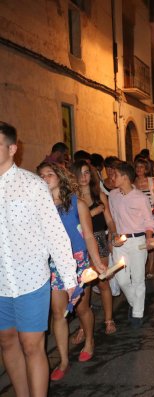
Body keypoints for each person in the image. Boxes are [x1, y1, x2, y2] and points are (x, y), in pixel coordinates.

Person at [0, 123, 77, 396]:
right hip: (1, 285)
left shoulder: (32, 185)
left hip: (31, 280)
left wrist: (70, 279)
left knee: (32, 345)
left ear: (12, 148)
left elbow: (55, 233)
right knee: (7, 343)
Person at [37, 161, 105, 380]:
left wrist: (97, 261)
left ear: (60, 177)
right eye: (41, 175)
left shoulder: (78, 204)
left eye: (50, 174)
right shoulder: (37, 206)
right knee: (58, 313)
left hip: (78, 262)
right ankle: (64, 360)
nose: (45, 178)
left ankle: (89, 341)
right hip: (52, 264)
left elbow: (87, 235)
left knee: (81, 308)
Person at [70, 160, 117, 336]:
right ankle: (84, 326)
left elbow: (110, 220)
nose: (84, 177)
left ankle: (109, 319)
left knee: (103, 282)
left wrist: (114, 234)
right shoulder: (72, 199)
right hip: (80, 244)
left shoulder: (99, 195)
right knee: (84, 287)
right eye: (80, 173)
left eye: (87, 172)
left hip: (99, 240)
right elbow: (74, 224)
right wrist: (92, 213)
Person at [109, 162, 154, 326]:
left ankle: (137, 313)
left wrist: (149, 238)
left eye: (115, 174)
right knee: (121, 279)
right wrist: (113, 237)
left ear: (125, 177)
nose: (111, 177)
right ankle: (135, 303)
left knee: (137, 279)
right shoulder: (113, 195)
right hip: (119, 242)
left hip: (137, 241)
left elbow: (149, 221)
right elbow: (113, 219)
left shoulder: (140, 198)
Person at [133, 158, 154, 279]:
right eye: (137, 167)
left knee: (151, 242)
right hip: (138, 218)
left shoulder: (152, 181)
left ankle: (150, 268)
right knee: (140, 242)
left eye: (142, 167)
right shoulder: (133, 182)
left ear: (146, 169)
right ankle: (141, 267)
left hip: (152, 215)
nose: (139, 169)